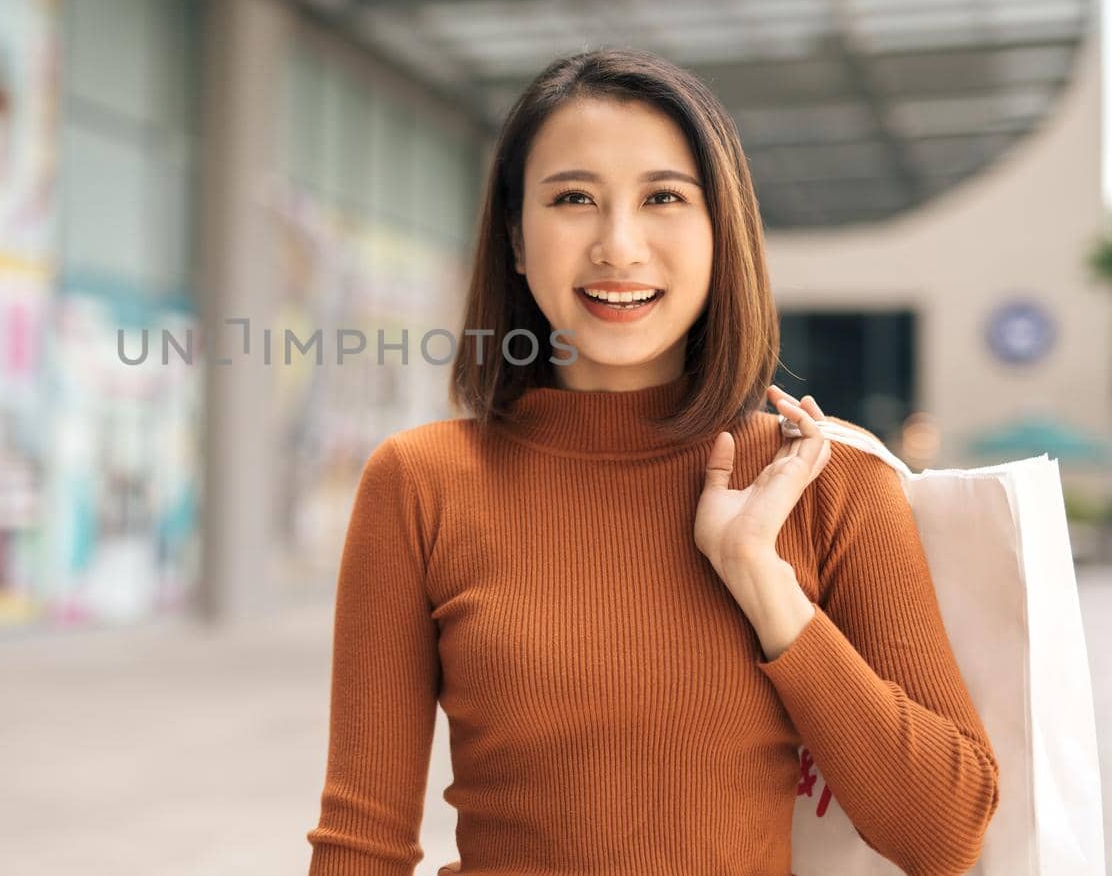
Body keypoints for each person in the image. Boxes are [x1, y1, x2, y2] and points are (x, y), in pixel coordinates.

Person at [303, 48, 998, 875]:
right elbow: (362, 840)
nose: (618, 245)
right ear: (517, 241)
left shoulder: (823, 479)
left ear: (721, 230)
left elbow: (947, 830)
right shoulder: (420, 482)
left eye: (664, 196)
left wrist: (763, 582)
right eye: (572, 199)